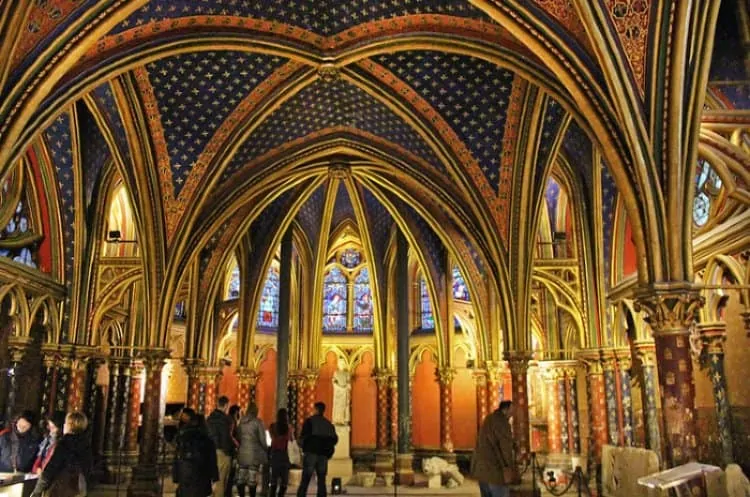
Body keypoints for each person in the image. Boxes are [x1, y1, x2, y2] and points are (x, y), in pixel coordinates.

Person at [30, 411, 92, 497]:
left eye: (66, 423)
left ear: (69, 425)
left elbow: (51, 469)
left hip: (60, 489)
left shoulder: (64, 444)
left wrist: (37, 491)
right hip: (78, 490)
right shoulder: (86, 446)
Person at [470, 400, 516, 497]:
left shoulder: (488, 419)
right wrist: (509, 467)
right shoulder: (502, 423)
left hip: (482, 471)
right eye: (512, 410)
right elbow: (505, 448)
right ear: (506, 409)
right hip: (495, 472)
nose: (513, 414)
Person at [173, 408, 219, 497]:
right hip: (202, 476)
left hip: (185, 474)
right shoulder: (207, 439)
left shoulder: (182, 437)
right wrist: (214, 478)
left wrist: (175, 478)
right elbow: (212, 460)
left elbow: (176, 458)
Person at [296, 402, 338, 497]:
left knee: (306, 478)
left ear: (316, 409)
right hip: (323, 455)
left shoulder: (310, 421)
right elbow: (334, 439)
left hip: (311, 452)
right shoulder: (328, 424)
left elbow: (304, 436)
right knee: (321, 479)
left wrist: (302, 447)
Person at [237, 403, 268, 497]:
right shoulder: (258, 422)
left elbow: (238, 436)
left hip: (242, 452)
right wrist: (265, 448)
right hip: (254, 453)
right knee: (252, 478)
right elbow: (262, 439)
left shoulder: (241, 421)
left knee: (241, 477)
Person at [207, 396, 235, 497]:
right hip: (222, 453)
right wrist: (230, 453)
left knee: (213, 481)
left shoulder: (210, 418)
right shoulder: (224, 419)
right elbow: (225, 438)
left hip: (211, 451)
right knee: (221, 482)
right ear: (226, 405)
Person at [268, 409, 292, 497]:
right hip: (285, 455)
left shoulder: (273, 426)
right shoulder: (289, 428)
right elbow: (291, 440)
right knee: (284, 481)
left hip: (275, 454)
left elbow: (271, 437)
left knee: (274, 480)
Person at [226, 405, 241, 497]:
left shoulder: (229, 419)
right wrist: (237, 444)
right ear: (236, 412)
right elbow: (230, 435)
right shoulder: (231, 420)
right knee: (231, 473)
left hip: (229, 449)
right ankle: (228, 492)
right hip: (231, 450)